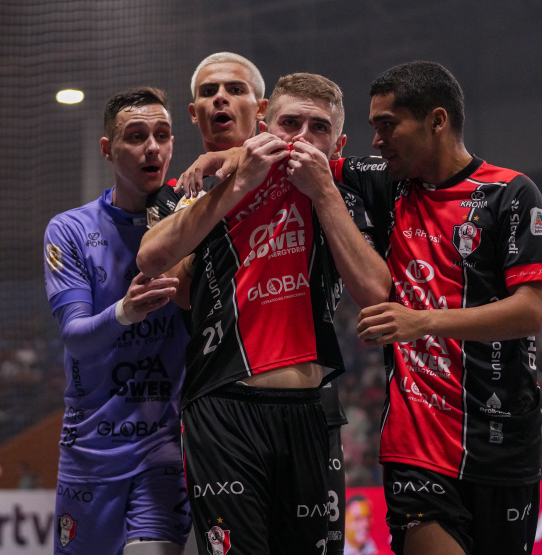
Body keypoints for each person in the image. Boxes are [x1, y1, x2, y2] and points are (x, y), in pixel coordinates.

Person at [137, 61, 390, 555]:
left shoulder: (340, 191)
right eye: (290, 124)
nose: (300, 138)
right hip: (223, 406)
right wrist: (236, 180)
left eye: (318, 129)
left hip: (310, 412)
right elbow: (152, 262)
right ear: (266, 121)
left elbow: (375, 294)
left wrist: (323, 193)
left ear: (337, 146)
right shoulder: (203, 184)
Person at [342, 61, 542, 555]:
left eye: (388, 125)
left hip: (503, 443)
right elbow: (303, 157)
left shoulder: (512, 194)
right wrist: (225, 156)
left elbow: (531, 312)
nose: (376, 141)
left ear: (436, 121)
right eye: (373, 127)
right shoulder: (386, 184)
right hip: (415, 448)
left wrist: (423, 322)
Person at [43, 87, 190, 555]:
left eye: (162, 135)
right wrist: (127, 309)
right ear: (108, 148)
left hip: (163, 450)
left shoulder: (195, 222)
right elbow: (76, 338)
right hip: (90, 451)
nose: (152, 147)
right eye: (136, 136)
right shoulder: (68, 230)